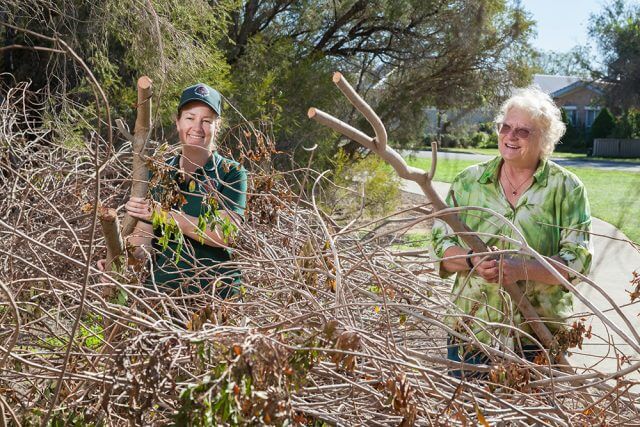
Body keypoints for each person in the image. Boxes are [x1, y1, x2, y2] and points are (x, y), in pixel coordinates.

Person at [431, 87, 593, 375]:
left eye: (523, 131)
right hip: (472, 331)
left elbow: (578, 262)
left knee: (533, 418)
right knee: (468, 415)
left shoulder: (565, 188)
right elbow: (441, 247)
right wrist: (473, 260)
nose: (510, 136)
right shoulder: (468, 182)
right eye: (505, 127)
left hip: (537, 338)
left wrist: (522, 269)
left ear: (544, 140)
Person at [124, 83, 247, 297]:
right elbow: (142, 243)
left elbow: (226, 234)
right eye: (190, 118)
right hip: (163, 296)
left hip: (217, 294)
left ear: (217, 127)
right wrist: (120, 261)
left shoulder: (231, 173)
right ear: (178, 122)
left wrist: (165, 216)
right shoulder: (159, 174)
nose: (197, 127)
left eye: (206, 121)